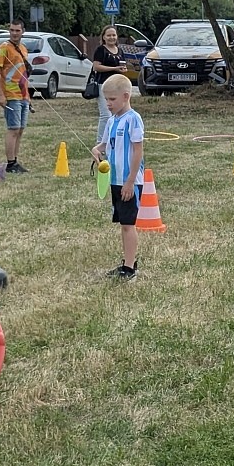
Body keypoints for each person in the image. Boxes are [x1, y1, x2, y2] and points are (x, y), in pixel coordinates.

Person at [90, 74, 144, 281]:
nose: (108, 104)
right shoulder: (112, 121)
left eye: (112, 100)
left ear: (125, 96)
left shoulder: (133, 119)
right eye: (106, 100)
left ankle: (130, 268)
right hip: (114, 180)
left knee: (129, 224)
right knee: (123, 223)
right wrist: (97, 149)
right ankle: (126, 262)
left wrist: (130, 181)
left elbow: (138, 151)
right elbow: (104, 144)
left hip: (129, 181)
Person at [0, 20, 31, 174]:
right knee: (13, 128)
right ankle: (10, 163)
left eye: (17, 30)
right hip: (10, 94)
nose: (14, 33)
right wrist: (0, 94)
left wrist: (28, 95)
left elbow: (23, 73)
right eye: (12, 30)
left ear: (23, 31)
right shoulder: (3, 48)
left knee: (20, 129)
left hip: (23, 95)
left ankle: (15, 160)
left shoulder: (23, 49)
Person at [92, 25, 128, 143]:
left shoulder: (120, 50)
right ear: (103, 37)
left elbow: (122, 66)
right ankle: (101, 143)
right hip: (103, 85)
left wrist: (122, 70)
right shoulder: (100, 50)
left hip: (117, 87)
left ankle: (114, 140)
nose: (111, 37)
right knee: (106, 115)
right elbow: (96, 67)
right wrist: (114, 68)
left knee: (117, 113)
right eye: (109, 35)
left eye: (114, 35)